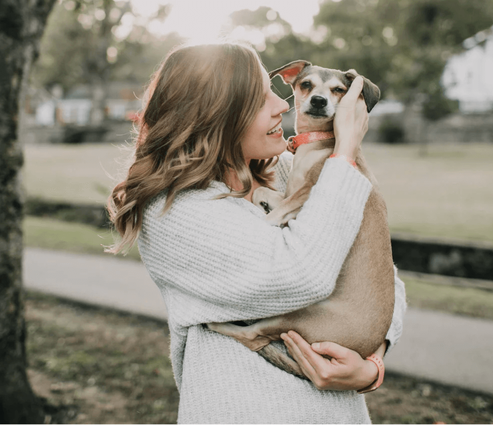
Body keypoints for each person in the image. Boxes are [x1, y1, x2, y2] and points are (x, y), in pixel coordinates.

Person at [107, 43, 407, 424]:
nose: (282, 104)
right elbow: (303, 274)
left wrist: (371, 363)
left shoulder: (286, 170)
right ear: (216, 116)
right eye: (259, 98)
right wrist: (345, 151)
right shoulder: (172, 212)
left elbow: (381, 275)